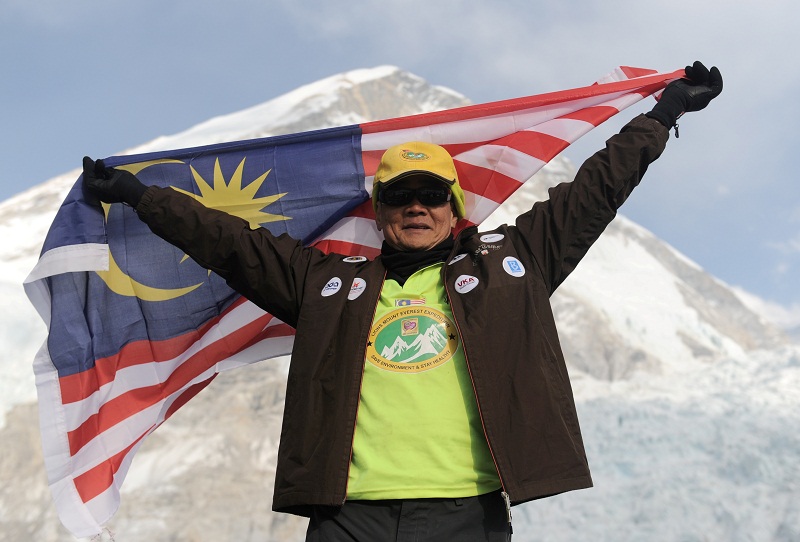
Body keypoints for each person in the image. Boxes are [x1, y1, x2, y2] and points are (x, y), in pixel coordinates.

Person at [82, 61, 722, 542]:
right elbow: (230, 243)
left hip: (465, 512)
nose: (417, 206)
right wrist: (140, 196)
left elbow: (593, 192)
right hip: (346, 515)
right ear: (380, 210)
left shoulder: (510, 267)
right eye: (399, 196)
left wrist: (662, 114)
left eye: (432, 195)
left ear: (455, 207)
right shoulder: (331, 285)